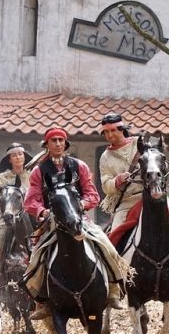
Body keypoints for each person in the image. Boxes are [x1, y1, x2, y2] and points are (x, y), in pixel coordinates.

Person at [22, 127, 127, 320]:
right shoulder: (39, 171)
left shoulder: (79, 166)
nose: (58, 144)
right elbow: (30, 201)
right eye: (53, 140)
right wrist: (42, 211)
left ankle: (113, 289)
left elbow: (93, 195)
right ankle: (42, 301)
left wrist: (80, 204)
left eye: (61, 140)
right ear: (47, 145)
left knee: (107, 246)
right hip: (52, 222)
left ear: (66, 144)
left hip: (80, 219)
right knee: (35, 257)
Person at [0, 143, 34, 275]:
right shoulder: (1, 179)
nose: (18, 157)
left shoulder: (32, 176)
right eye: (14, 155)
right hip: (8, 219)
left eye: (20, 154)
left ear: (24, 157)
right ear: (9, 159)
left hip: (31, 217)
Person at [98, 113, 142, 247]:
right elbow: (106, 186)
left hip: (151, 195)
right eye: (106, 132)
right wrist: (117, 180)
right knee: (113, 241)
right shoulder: (105, 157)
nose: (109, 135)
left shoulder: (140, 143)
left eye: (113, 130)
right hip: (127, 202)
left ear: (122, 129)